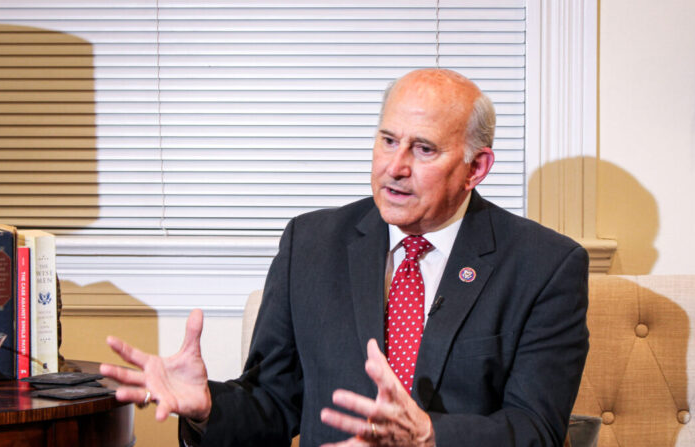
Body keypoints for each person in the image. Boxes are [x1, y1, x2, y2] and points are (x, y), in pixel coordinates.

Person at [100, 68, 590, 447]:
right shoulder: (311, 244)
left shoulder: (545, 266)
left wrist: (429, 436)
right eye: (388, 140)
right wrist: (208, 405)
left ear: (476, 167)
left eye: (423, 149)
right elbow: (274, 403)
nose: (395, 168)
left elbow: (536, 429)